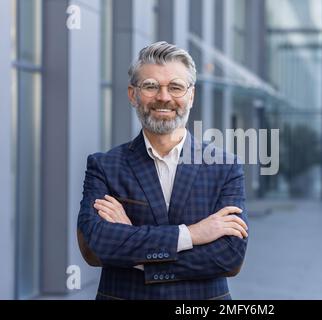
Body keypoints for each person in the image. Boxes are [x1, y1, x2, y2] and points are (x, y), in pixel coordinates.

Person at [77, 41, 249, 300]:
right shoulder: (104, 166)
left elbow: (230, 257)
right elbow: (97, 246)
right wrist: (192, 234)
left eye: (176, 87)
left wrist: (135, 248)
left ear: (191, 96)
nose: (164, 97)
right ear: (133, 94)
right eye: (150, 86)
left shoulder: (225, 167)